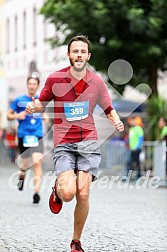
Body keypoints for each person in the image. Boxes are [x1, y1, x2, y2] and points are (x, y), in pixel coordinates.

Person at [26, 35, 124, 252]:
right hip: (63, 142)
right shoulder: (55, 79)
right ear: (68, 54)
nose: (79, 55)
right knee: (69, 194)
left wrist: (116, 120)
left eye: (83, 52)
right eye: (75, 51)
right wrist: (35, 107)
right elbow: (42, 102)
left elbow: (108, 108)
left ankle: (76, 241)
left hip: (88, 141)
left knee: (84, 193)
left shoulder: (96, 81)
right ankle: (57, 189)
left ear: (88, 56)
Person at [7, 76, 49, 204]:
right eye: (30, 83)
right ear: (27, 85)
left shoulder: (40, 100)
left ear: (37, 86)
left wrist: (45, 117)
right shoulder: (19, 100)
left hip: (37, 135)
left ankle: (36, 192)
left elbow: (43, 113)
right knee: (25, 164)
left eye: (34, 84)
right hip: (23, 135)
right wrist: (16, 115)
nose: (32, 86)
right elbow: (9, 115)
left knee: (37, 163)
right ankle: (22, 176)